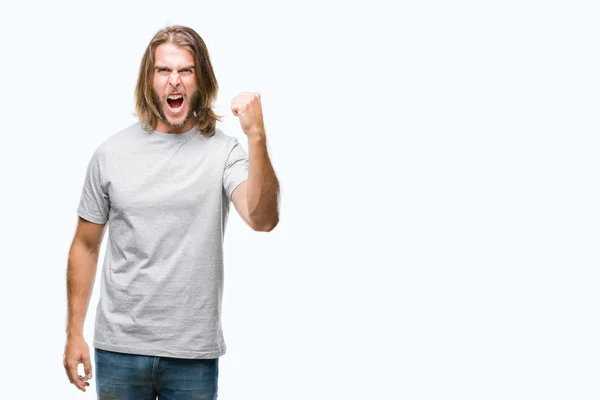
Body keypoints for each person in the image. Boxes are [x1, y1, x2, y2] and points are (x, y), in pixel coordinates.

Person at [62, 25, 280, 399]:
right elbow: (85, 245)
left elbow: (263, 219)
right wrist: (73, 333)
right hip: (119, 350)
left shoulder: (223, 152)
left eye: (186, 70)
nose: (174, 81)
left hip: (192, 354)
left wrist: (256, 136)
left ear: (202, 79)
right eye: (164, 70)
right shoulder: (110, 153)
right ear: (149, 79)